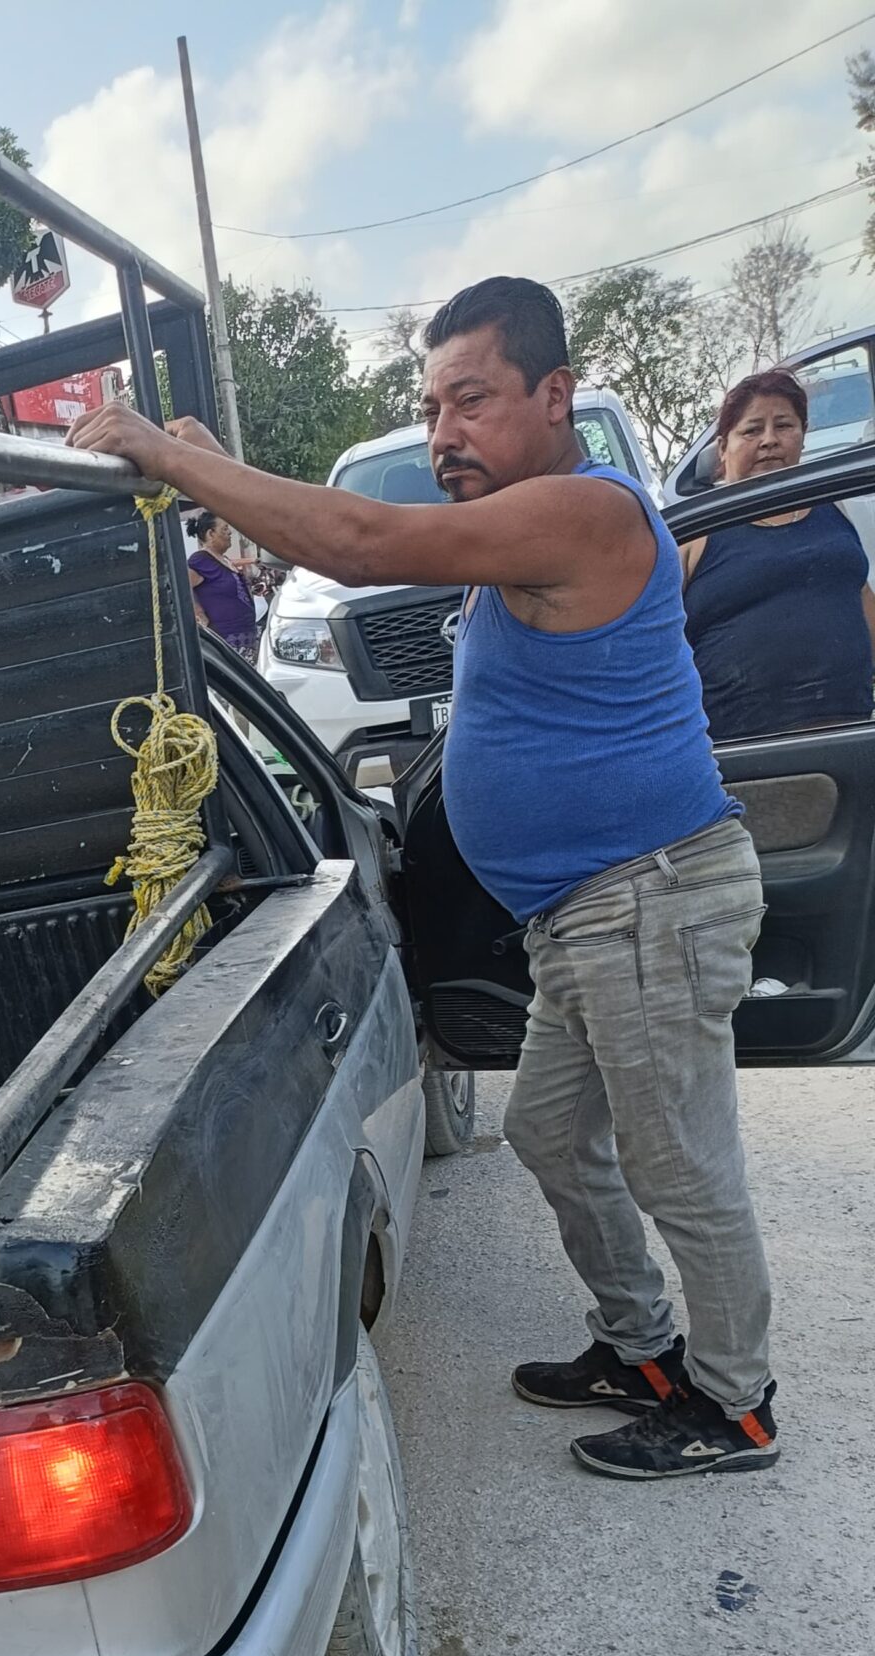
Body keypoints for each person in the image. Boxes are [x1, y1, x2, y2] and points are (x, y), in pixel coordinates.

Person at [71, 274, 777, 1480]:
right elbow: (342, 530)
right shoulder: (516, 526)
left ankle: (735, 1402)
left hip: (647, 899)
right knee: (549, 1135)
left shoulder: (586, 512)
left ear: (554, 396)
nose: (446, 432)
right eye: (432, 406)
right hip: (582, 916)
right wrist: (220, 467)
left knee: (680, 1165)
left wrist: (168, 456)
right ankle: (642, 1347)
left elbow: (359, 542)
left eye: (472, 400)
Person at [679, 366, 875, 740]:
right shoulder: (695, 533)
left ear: (803, 435)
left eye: (783, 426)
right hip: (747, 753)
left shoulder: (836, 510)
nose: (769, 440)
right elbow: (656, 644)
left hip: (850, 739)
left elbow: (861, 598)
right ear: (723, 447)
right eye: (752, 430)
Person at [185, 510, 258, 659]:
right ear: (211, 534)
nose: (230, 532)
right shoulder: (200, 560)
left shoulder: (224, 560)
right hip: (227, 641)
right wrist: (199, 613)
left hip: (246, 639)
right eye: (224, 529)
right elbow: (183, 586)